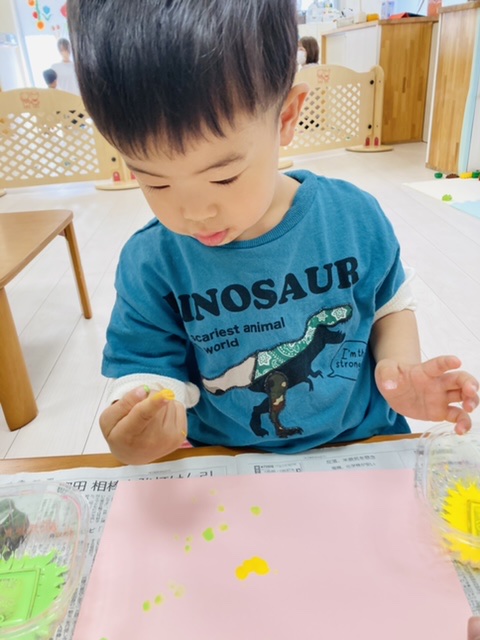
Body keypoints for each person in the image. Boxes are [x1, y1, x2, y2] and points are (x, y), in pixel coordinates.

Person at [68, 0, 479, 465]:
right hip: (226, 459)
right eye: (154, 182)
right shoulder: (152, 262)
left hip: (360, 441)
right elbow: (148, 370)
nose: (195, 213)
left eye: (224, 177)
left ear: (286, 118)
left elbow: (390, 305)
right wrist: (139, 423)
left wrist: (399, 370)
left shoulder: (353, 218)